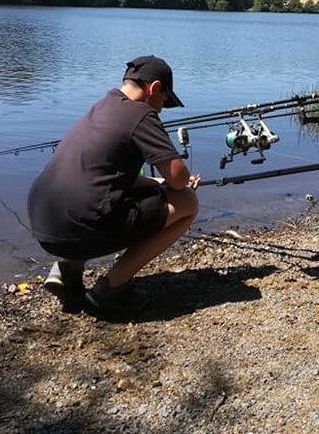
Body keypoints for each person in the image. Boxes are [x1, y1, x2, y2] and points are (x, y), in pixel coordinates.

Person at [26, 56, 201, 314]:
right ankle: (110, 290)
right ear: (154, 88)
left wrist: (157, 183)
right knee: (187, 202)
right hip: (78, 228)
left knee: (90, 197)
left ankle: (68, 272)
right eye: (164, 100)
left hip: (44, 223)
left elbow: (103, 176)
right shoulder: (141, 113)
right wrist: (182, 181)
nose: (161, 109)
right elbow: (178, 179)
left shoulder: (100, 108)